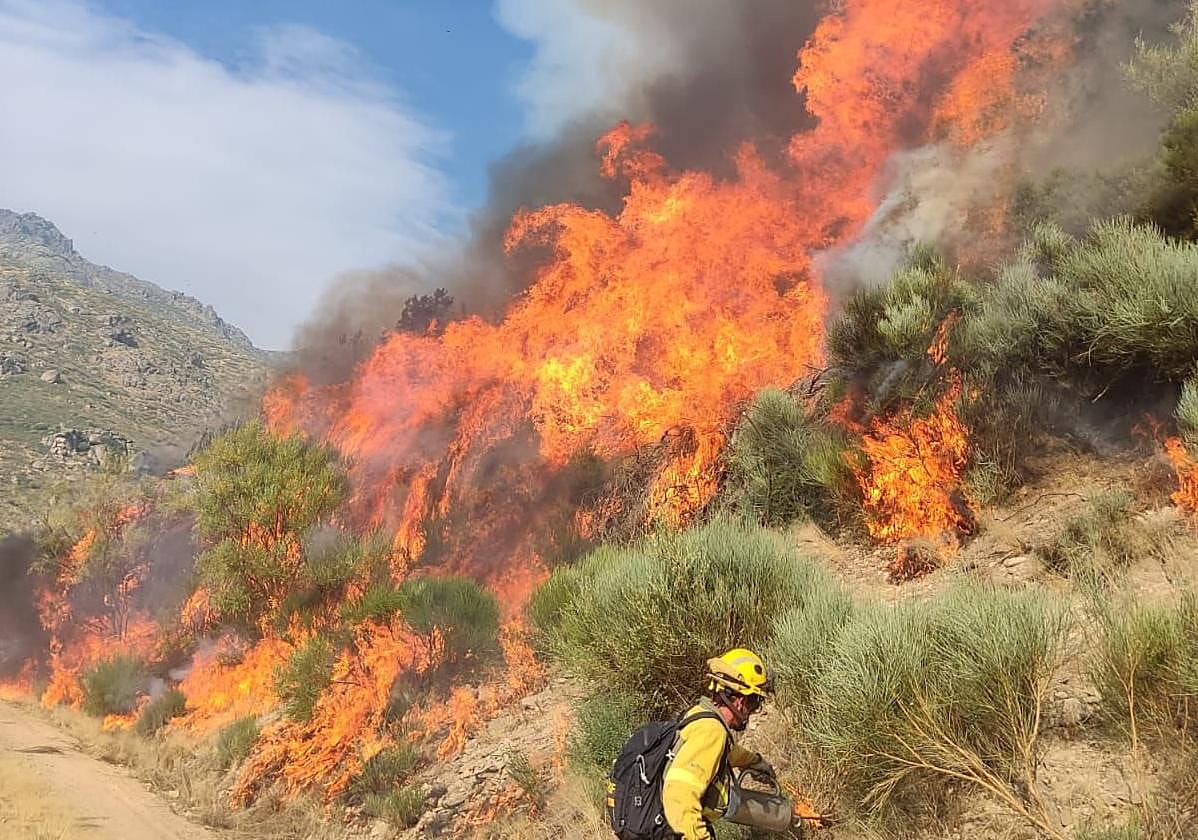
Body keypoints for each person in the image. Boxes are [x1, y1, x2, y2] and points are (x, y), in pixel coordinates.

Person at [661, 648, 777, 840]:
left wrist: (755, 761)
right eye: (754, 703)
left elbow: (724, 753)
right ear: (740, 700)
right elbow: (679, 796)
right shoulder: (712, 731)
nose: (754, 711)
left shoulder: (699, 715)